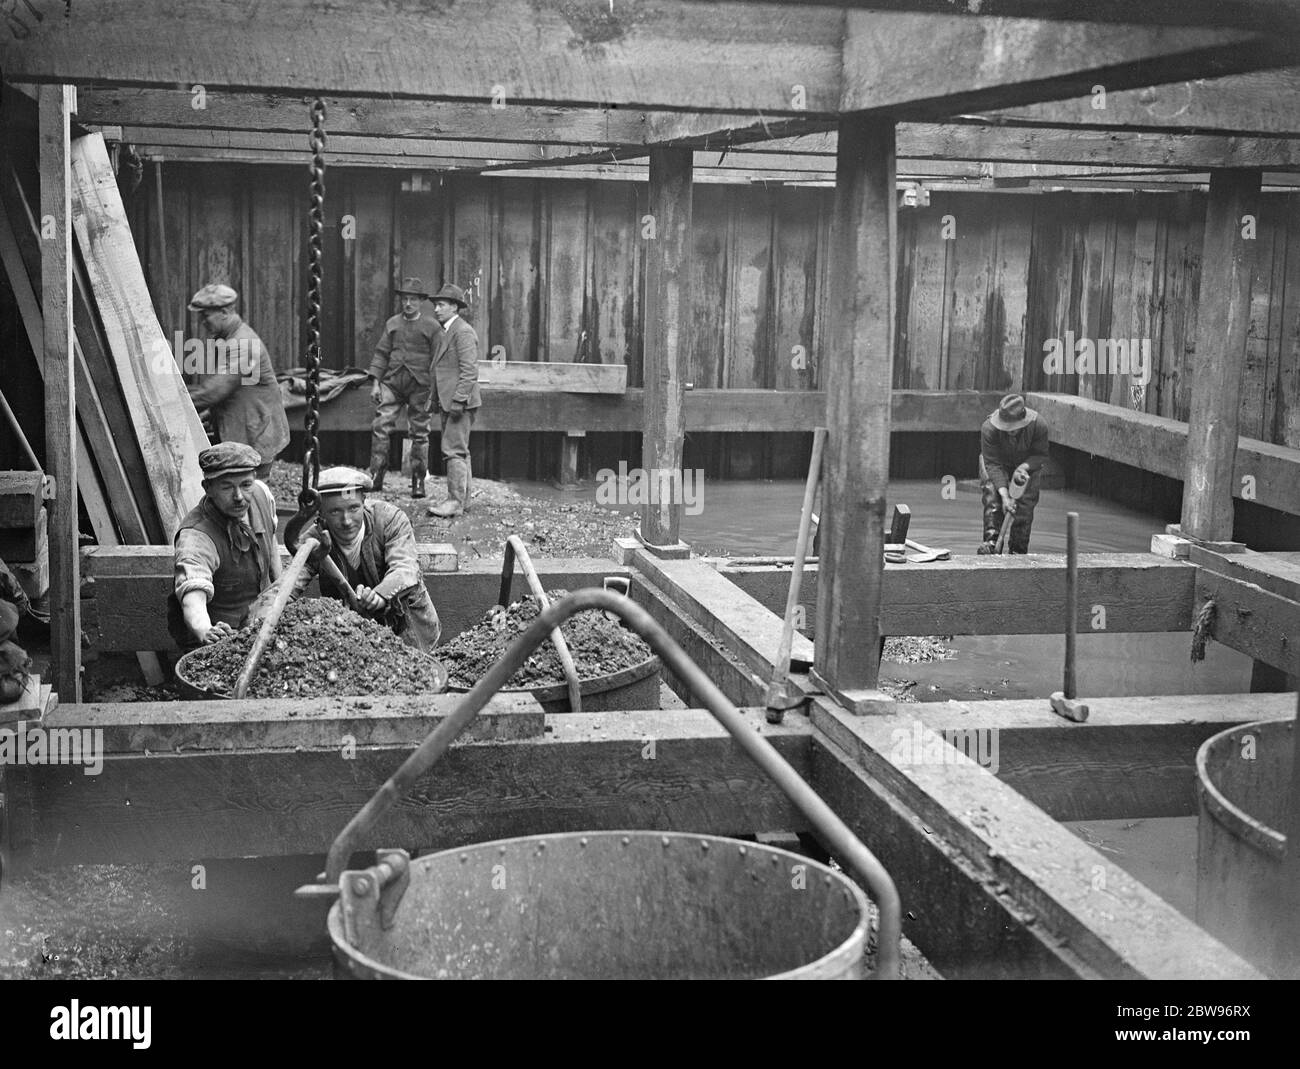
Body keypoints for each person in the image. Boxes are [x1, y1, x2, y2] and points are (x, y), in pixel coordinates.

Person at [274, 466, 440, 650]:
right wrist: (264, 614)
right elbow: (287, 585)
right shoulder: (313, 542)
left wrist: (379, 595)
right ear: (320, 513)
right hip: (356, 643)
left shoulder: (389, 520)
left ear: (364, 501)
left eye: (353, 508)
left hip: (410, 632)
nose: (346, 520)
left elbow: (405, 568)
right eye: (335, 512)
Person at [170, 442, 282, 647]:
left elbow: (271, 540)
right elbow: (192, 594)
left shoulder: (262, 495)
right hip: (223, 638)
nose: (239, 497)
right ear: (208, 488)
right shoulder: (196, 536)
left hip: (264, 624)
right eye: (227, 487)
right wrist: (205, 630)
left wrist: (280, 592)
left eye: (246, 485)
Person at [185, 283, 290, 480]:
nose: (202, 322)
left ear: (224, 312)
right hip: (249, 430)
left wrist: (179, 409)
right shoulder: (231, 339)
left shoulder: (243, 344)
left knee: (250, 494)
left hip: (257, 433)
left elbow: (216, 390)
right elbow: (235, 390)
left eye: (205, 315)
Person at [367, 278, 440, 497]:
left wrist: (433, 390)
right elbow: (381, 354)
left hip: (420, 386)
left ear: (421, 302)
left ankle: (418, 480)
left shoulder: (432, 327)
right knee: (381, 425)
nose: (408, 303)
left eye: (413, 299)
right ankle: (376, 475)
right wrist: (375, 384)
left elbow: (438, 359)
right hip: (393, 382)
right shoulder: (393, 324)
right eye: (405, 299)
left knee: (419, 432)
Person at [426, 284, 481, 518]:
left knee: (453, 449)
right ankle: (464, 501)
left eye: (441, 305)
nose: (436, 309)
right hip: (450, 400)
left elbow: (469, 370)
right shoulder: (448, 330)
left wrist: (459, 400)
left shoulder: (462, 331)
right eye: (436, 305)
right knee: (460, 450)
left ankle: (454, 502)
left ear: (455, 307)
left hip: (459, 401)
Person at [978, 394, 1050, 555]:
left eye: (1013, 427)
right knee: (993, 500)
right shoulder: (988, 428)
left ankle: (1018, 550)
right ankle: (991, 544)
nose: (1009, 431)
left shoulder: (1039, 425)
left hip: (1027, 465)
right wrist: (1005, 496)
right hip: (997, 464)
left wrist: (1023, 468)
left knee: (1024, 506)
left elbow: (1041, 455)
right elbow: (993, 464)